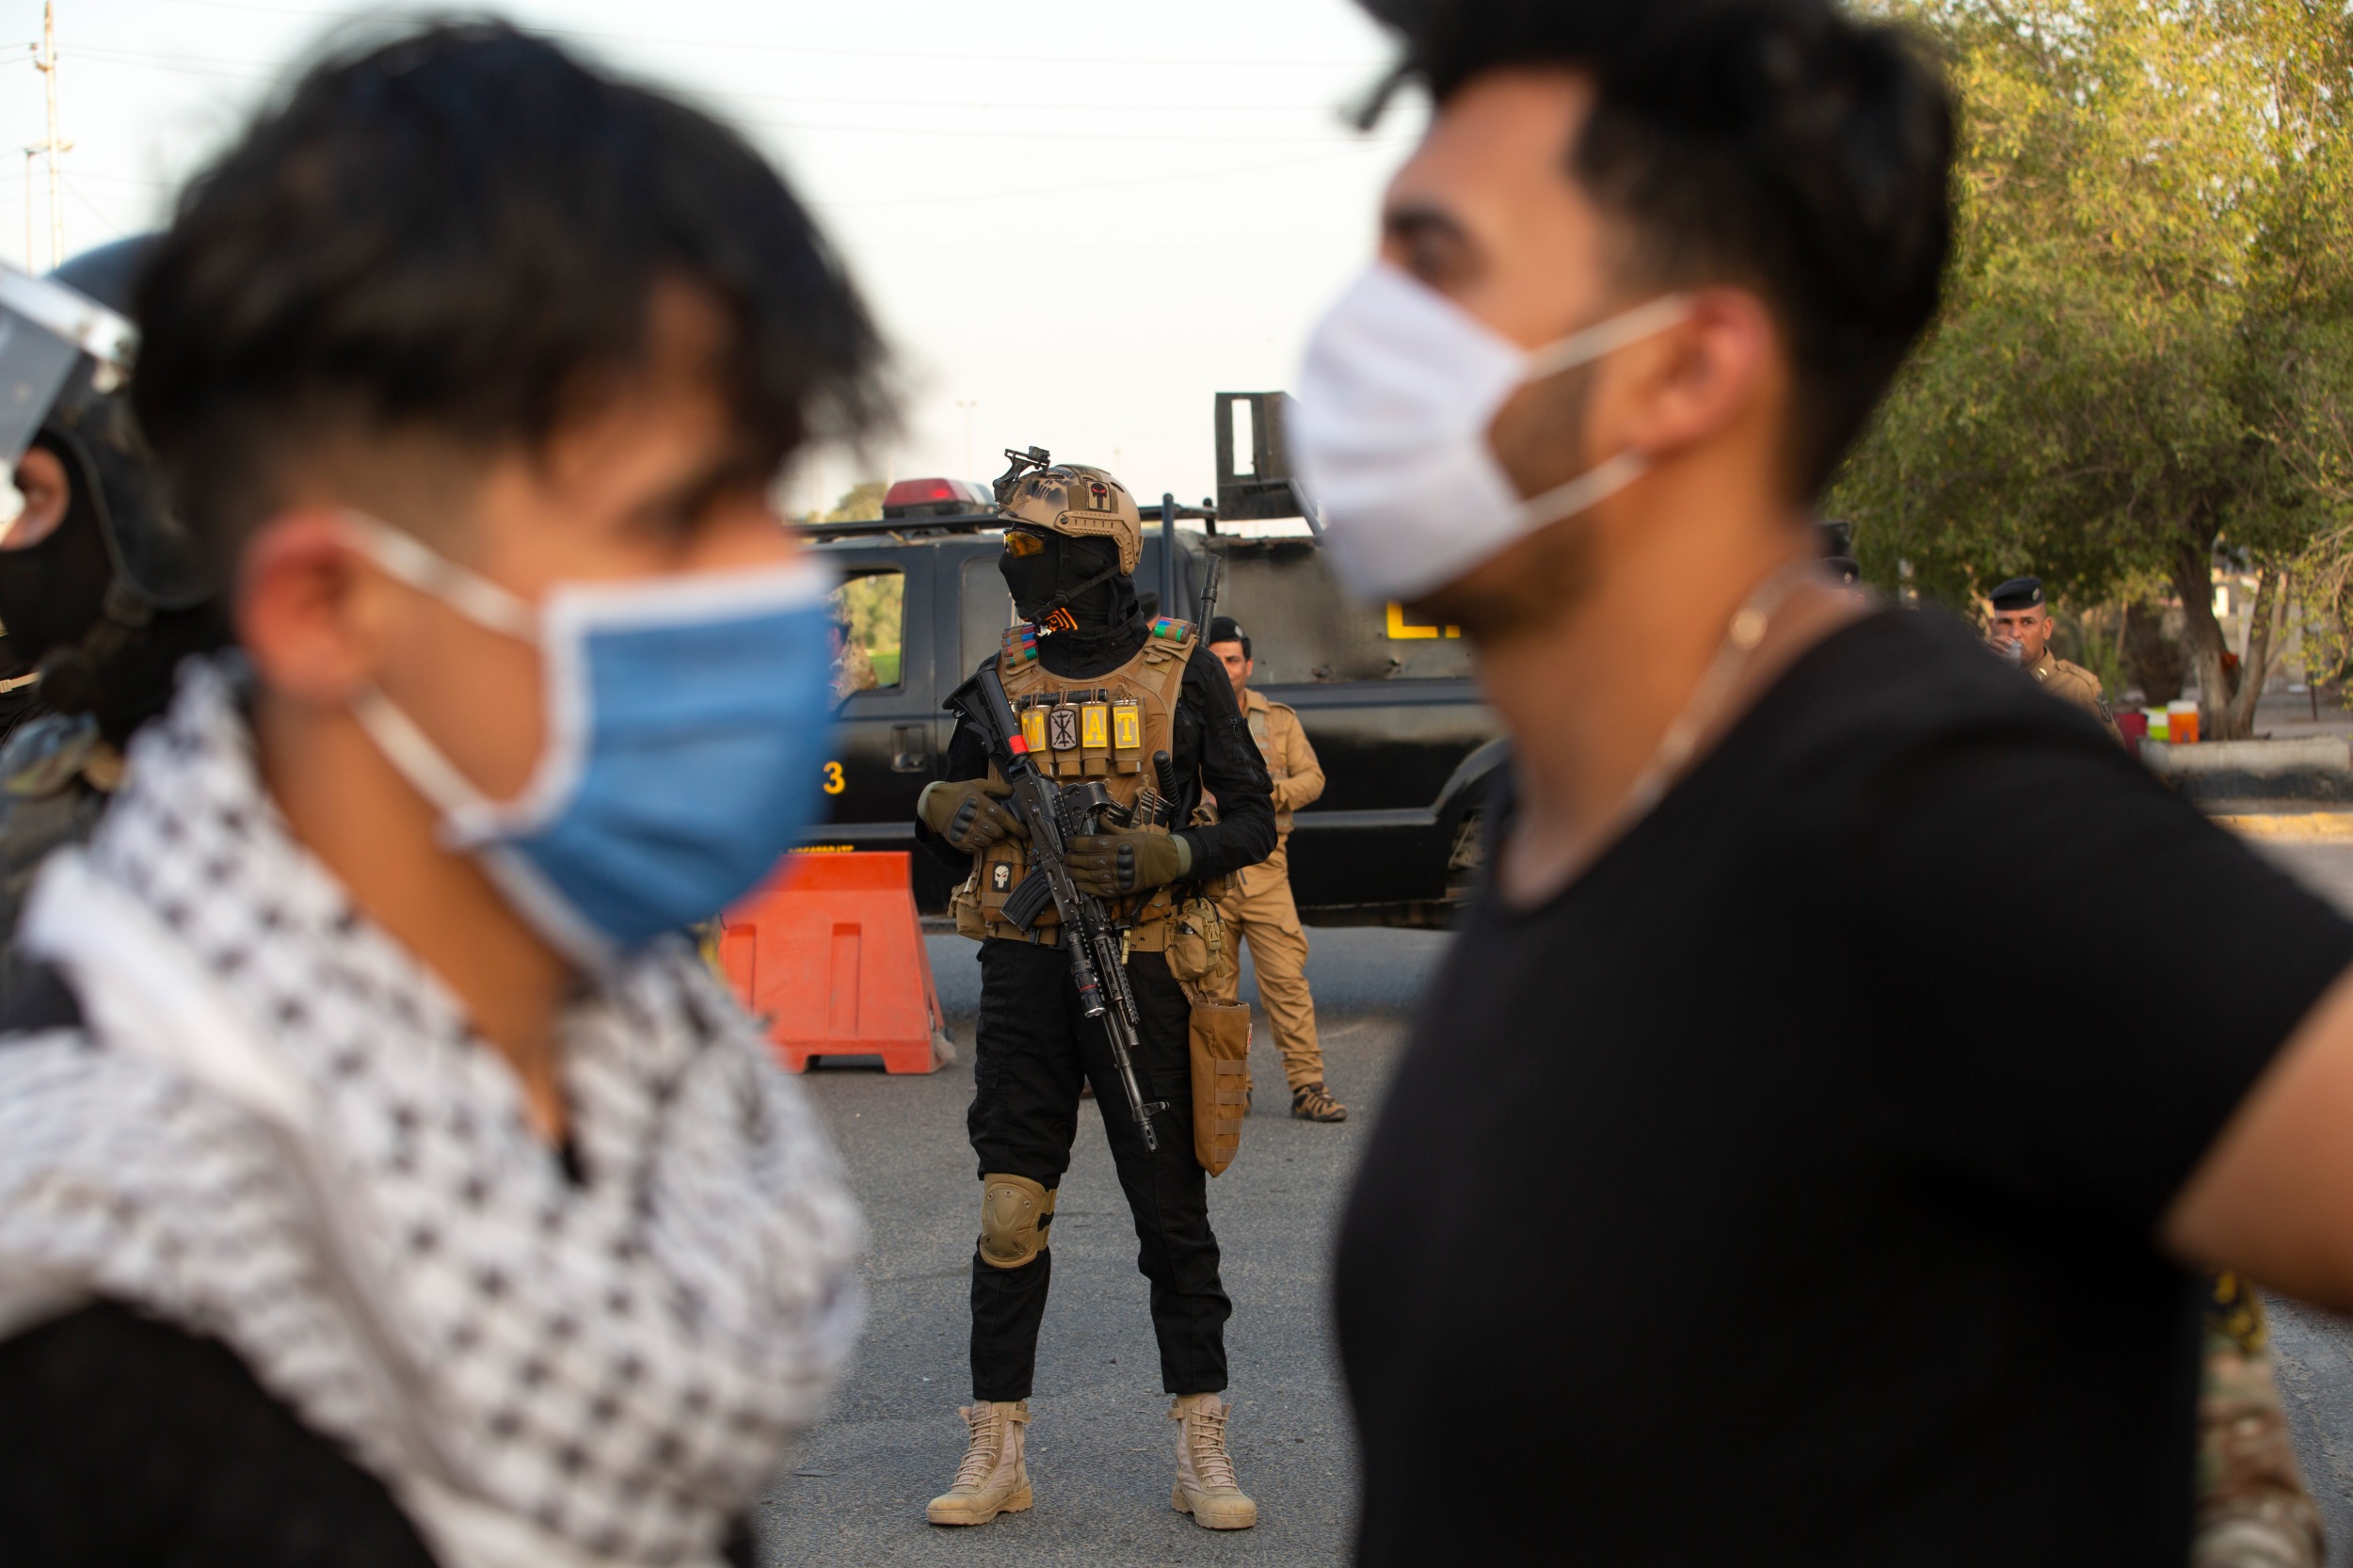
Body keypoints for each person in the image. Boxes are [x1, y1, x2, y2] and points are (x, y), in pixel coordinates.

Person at [1288, 2, 2353, 1562]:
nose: (1356, 337)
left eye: (1433, 265)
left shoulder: (1916, 811)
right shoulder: (1575, 803)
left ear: (1684, 368)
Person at [0, 23, 882, 1567]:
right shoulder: (80, 1324)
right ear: (326, 604)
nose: (776, 583)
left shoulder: (663, 1107)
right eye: (674, 516)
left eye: (769, 491)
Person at [914, 454, 1275, 1531]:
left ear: (1096, 555)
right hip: (1024, 971)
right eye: (1013, 544)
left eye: (1035, 547)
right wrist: (940, 807)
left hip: (1147, 969)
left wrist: (1173, 853)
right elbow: (934, 852)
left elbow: (1253, 819)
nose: (1015, 562)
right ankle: (996, 1444)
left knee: (1171, 1215)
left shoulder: (1181, 669)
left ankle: (1201, 1440)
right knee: (1009, 1211)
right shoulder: (1004, 677)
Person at [0, 237, 232, 998]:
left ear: (164, 513)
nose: (10, 543)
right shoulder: (48, 776)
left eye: (36, 498)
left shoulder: (287, 852)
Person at [1204, 613, 1344, 1121]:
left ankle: (1308, 1087)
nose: (1226, 669)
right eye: (1216, 661)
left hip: (1267, 870)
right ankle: (1229, 1088)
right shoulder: (1188, 716)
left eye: (1233, 659)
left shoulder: (1278, 719)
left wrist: (1264, 796)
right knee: (1214, 991)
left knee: (1286, 984)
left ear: (1249, 665)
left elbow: (1313, 778)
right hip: (1211, 873)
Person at [1987, 574, 2124, 741]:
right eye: (2005, 623)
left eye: (2027, 622)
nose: (2015, 633)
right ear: (1992, 627)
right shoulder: (1976, 684)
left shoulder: (2078, 690)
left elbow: (2111, 752)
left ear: (2046, 628)